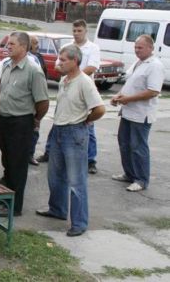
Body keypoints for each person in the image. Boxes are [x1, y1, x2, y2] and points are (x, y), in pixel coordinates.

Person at [36, 44, 105, 237]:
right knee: (55, 175)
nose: (59, 62)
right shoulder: (64, 80)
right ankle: (57, 209)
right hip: (59, 130)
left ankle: (79, 223)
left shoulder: (84, 82)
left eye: (64, 59)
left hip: (75, 133)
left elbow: (99, 109)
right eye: (60, 58)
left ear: (75, 61)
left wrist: (85, 121)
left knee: (76, 180)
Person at [0, 32, 49, 217]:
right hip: (3, 119)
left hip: (21, 122)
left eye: (12, 44)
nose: (7, 46)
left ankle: (15, 207)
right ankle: (6, 198)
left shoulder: (34, 70)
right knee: (7, 161)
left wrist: (34, 120)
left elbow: (43, 102)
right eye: (7, 43)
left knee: (18, 164)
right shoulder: (8, 65)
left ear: (24, 47)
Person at [37, 20, 101, 175]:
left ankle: (90, 160)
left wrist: (76, 76)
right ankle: (50, 151)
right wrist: (65, 71)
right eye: (74, 30)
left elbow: (92, 67)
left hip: (82, 90)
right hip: (65, 88)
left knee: (87, 126)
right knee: (58, 120)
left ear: (85, 31)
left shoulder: (92, 48)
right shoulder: (67, 47)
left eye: (79, 30)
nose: (76, 33)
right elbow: (58, 65)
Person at [110, 34, 164, 192]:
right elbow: (130, 83)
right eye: (135, 47)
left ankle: (141, 180)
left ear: (150, 48)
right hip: (128, 111)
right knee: (124, 143)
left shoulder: (155, 65)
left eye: (140, 47)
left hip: (141, 114)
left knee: (138, 147)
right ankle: (129, 173)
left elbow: (153, 91)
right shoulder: (138, 63)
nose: (137, 50)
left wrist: (128, 98)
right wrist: (118, 96)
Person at [28, 34, 48, 166]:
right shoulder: (27, 59)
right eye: (35, 43)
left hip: (38, 100)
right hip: (28, 101)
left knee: (35, 129)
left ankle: (30, 154)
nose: (38, 45)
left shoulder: (38, 57)